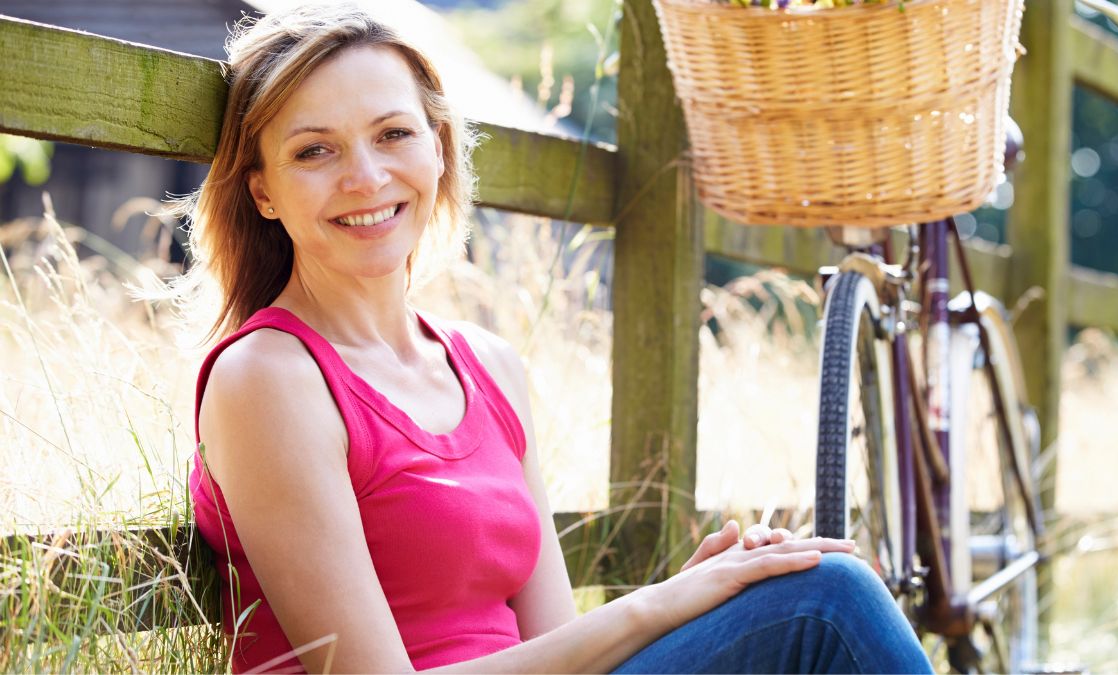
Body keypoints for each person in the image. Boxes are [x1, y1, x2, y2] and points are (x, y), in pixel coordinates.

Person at [182, 3, 934, 673]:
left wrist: (693, 598)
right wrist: (662, 604)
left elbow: (559, 646)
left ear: (438, 150)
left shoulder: (489, 368)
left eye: (394, 134)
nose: (367, 175)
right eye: (316, 151)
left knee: (808, 586)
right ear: (264, 191)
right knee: (825, 602)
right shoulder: (269, 378)